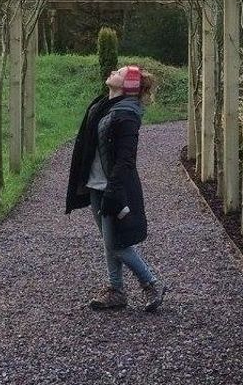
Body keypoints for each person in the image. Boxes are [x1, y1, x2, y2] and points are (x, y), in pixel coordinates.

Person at [65, 64, 166, 312]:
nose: (113, 72)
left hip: (112, 187)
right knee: (109, 240)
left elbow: (126, 159)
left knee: (116, 244)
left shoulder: (127, 115)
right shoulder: (103, 106)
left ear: (127, 85)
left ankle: (151, 283)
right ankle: (116, 289)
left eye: (119, 72)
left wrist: (114, 191)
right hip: (96, 184)